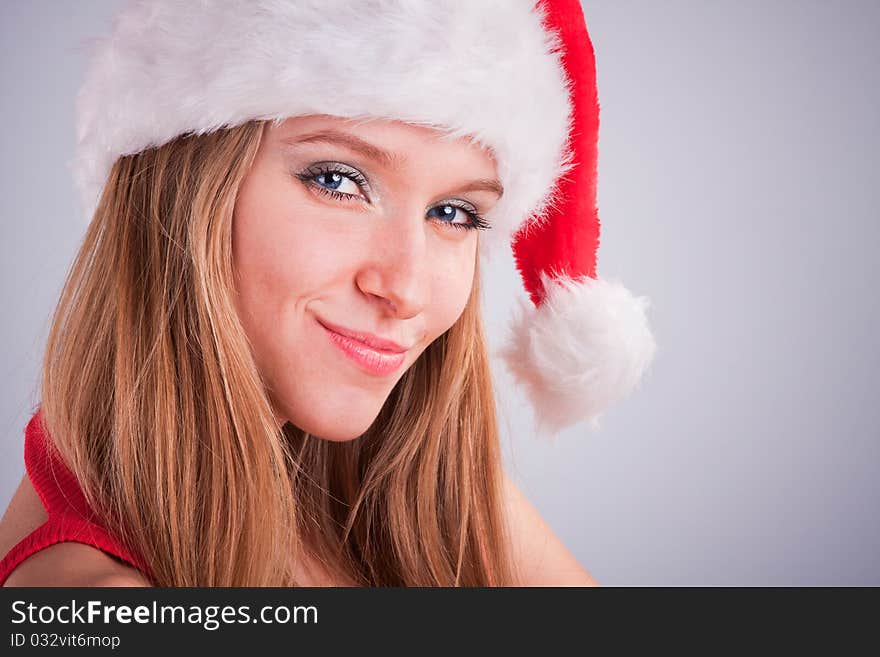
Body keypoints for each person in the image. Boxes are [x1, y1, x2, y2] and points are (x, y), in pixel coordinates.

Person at [0, 0, 656, 587]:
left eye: (453, 213)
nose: (404, 287)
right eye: (339, 181)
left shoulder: (405, 490)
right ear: (181, 186)